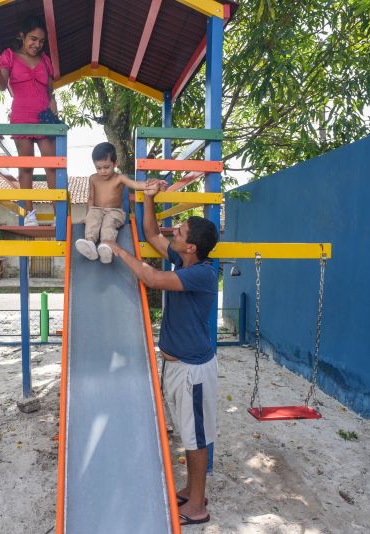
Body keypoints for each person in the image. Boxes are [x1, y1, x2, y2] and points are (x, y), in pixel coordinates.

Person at [102, 180, 219, 526]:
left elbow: (151, 279)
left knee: (196, 438)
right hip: (175, 364)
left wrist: (118, 250)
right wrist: (148, 198)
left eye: (180, 233)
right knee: (187, 432)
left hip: (193, 370)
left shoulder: (201, 274)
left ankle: (197, 506)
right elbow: (152, 234)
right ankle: (190, 490)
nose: (174, 233)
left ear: (192, 247)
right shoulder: (182, 261)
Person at [0, 15, 58, 226]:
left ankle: (59, 213)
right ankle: (30, 215)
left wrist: (54, 109)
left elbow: (50, 91)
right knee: (26, 166)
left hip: (44, 118)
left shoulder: (46, 60)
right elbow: (2, 86)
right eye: (33, 39)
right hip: (21, 116)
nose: (37, 44)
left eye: (41, 41)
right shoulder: (9, 55)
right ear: (22, 36)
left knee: (52, 165)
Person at [75, 142, 155, 264]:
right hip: (97, 209)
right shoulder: (93, 178)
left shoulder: (119, 178)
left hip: (115, 212)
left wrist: (149, 185)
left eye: (106, 167)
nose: (102, 171)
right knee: (92, 218)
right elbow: (91, 198)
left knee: (108, 223)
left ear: (115, 163)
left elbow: (135, 184)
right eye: (98, 168)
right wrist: (88, 216)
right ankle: (90, 244)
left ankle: (106, 246)